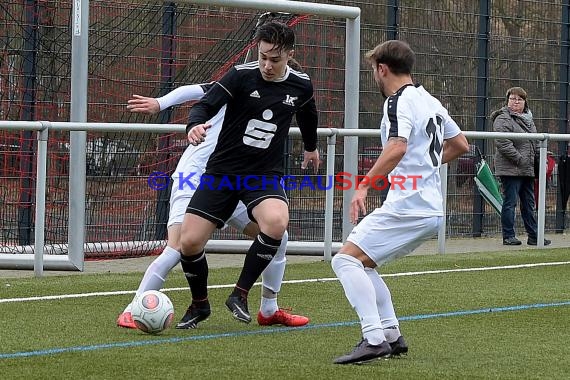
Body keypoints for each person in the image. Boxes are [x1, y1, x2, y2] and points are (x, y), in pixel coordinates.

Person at [116, 59, 311, 330]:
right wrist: (160, 103)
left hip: (234, 180)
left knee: (279, 235)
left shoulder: (276, 100)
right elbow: (193, 91)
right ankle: (133, 308)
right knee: (178, 246)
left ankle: (269, 309)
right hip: (195, 177)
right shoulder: (237, 85)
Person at [330, 40, 470, 365]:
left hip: (410, 205)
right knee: (364, 263)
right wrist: (425, 168)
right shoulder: (429, 99)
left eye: (373, 71)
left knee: (344, 261)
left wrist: (363, 186)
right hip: (429, 207)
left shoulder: (398, 101)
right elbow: (460, 143)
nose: (374, 77)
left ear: (382, 69)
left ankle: (373, 338)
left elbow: (397, 147)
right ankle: (392, 335)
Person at [178, 21, 319, 326]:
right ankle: (200, 304)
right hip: (223, 172)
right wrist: (195, 126)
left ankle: (240, 294)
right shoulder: (241, 76)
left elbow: (308, 113)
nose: (267, 65)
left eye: (275, 59)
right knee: (188, 243)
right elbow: (204, 105)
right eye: (263, 56)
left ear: (290, 55)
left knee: (277, 222)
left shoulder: (301, 84)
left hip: (262, 174)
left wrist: (311, 146)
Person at [492, 86, 551, 246]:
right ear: (507, 101)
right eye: (512, 98)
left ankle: (534, 236)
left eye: (519, 99)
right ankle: (508, 236)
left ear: (525, 102)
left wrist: (542, 159)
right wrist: (519, 159)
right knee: (510, 202)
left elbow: (537, 142)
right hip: (511, 169)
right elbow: (502, 142)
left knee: (529, 204)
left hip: (527, 169)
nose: (516, 102)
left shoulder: (529, 120)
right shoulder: (503, 118)